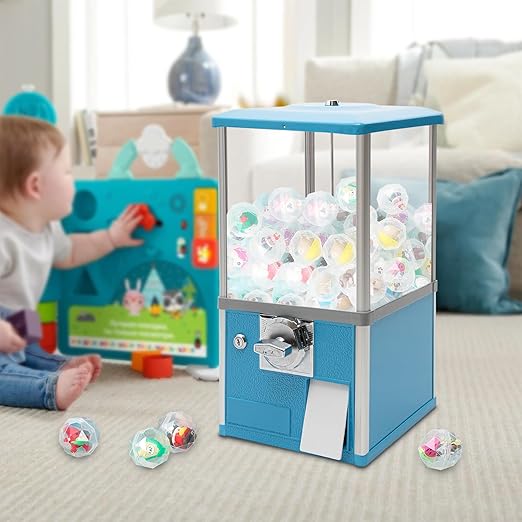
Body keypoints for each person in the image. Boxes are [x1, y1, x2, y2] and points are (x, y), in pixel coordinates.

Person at [0, 115, 143, 410]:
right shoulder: (4, 237)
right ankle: (47, 389)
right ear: (35, 186)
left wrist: (111, 238)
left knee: (28, 351)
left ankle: (58, 366)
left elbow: (71, 253)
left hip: (16, 327)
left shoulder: (47, 228)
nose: (72, 180)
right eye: (66, 172)